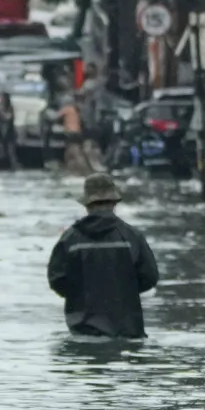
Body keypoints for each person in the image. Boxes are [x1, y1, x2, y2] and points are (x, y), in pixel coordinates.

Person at [48, 174, 159, 339]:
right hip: (127, 331)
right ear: (114, 203)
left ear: (87, 205)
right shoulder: (132, 237)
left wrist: (82, 295)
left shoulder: (70, 239)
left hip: (83, 331)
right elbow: (150, 277)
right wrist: (124, 291)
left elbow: (57, 279)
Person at [55, 96, 95, 175]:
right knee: (68, 152)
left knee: (75, 153)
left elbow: (55, 117)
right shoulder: (75, 110)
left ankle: (85, 171)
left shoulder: (67, 109)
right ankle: (70, 169)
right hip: (77, 133)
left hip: (71, 133)